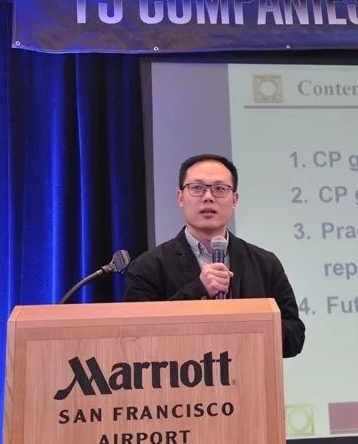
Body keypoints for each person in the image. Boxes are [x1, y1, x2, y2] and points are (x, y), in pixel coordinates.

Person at [124, 153, 305, 358]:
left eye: (219, 189)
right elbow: (136, 338)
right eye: (197, 188)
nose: (208, 197)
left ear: (234, 199)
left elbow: (295, 338)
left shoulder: (265, 263)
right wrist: (198, 290)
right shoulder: (147, 266)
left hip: (248, 374)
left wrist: (251, 324)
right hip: (179, 374)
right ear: (180, 197)